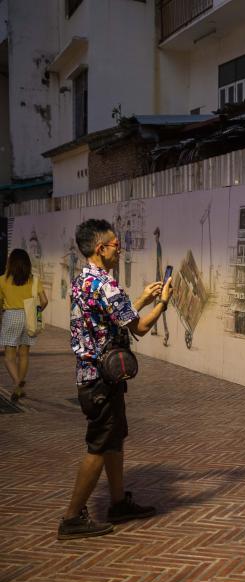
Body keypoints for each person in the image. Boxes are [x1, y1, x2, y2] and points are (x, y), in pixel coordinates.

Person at [58, 219, 173, 540]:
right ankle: (71, 518)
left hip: (92, 375)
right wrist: (163, 302)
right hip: (100, 379)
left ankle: (119, 503)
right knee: (99, 445)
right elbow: (140, 328)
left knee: (113, 439)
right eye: (115, 245)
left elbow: (114, 320)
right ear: (100, 248)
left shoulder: (82, 280)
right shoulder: (106, 285)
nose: (119, 250)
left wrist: (142, 300)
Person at [0, 249, 48, 401]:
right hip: (29, 317)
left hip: (11, 317)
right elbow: (44, 301)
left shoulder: (2, 280)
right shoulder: (34, 280)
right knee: (24, 355)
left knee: (9, 357)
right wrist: (36, 314)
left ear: (10, 263)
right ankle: (18, 388)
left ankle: (17, 382)